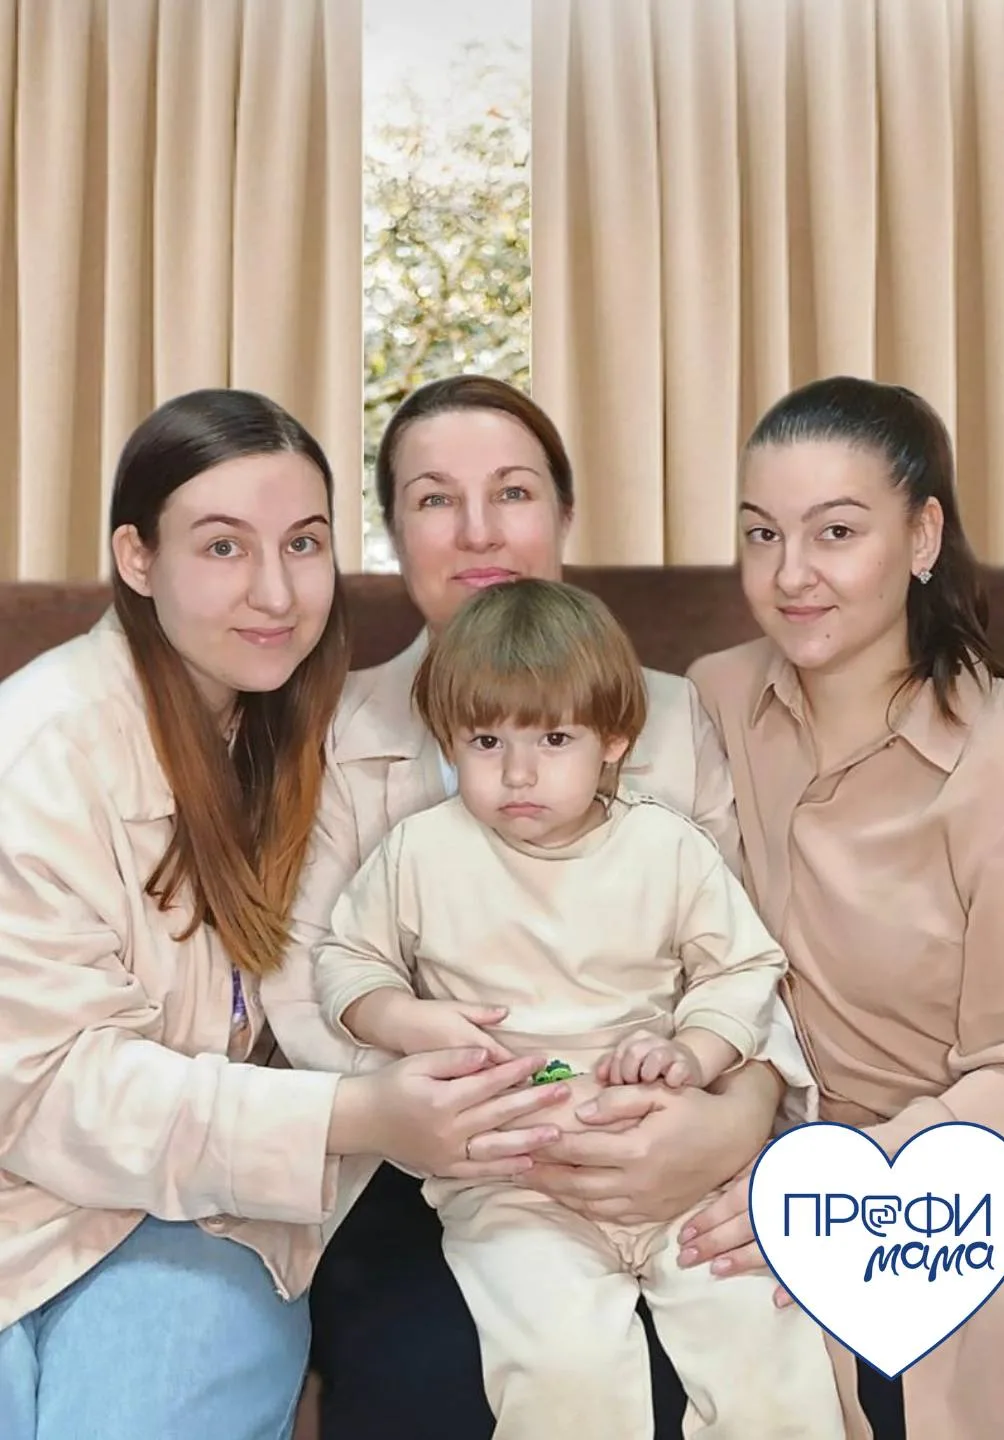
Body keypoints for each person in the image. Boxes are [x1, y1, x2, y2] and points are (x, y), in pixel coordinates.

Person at [0, 389, 568, 1440]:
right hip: (34, 1201)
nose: (274, 592)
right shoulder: (43, 750)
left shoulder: (306, 730)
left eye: (303, 543)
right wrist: (357, 1114)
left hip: (207, 1217)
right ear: (137, 558)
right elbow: (46, 1091)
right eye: (223, 546)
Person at [262, 375, 814, 1439]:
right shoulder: (332, 728)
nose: (477, 529)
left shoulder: (673, 715)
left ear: (564, 513)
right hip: (436, 1152)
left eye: (512, 492)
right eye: (435, 499)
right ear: (392, 532)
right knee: (453, 1375)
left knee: (784, 1337)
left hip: (670, 1110)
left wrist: (731, 1119)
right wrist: (462, 1110)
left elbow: (749, 949)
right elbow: (312, 981)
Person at [681, 376, 1004, 1440]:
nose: (790, 575)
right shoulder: (709, 702)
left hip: (990, 1153)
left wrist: (846, 1195)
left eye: (836, 532)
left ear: (922, 537)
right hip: (758, 1134)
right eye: (762, 534)